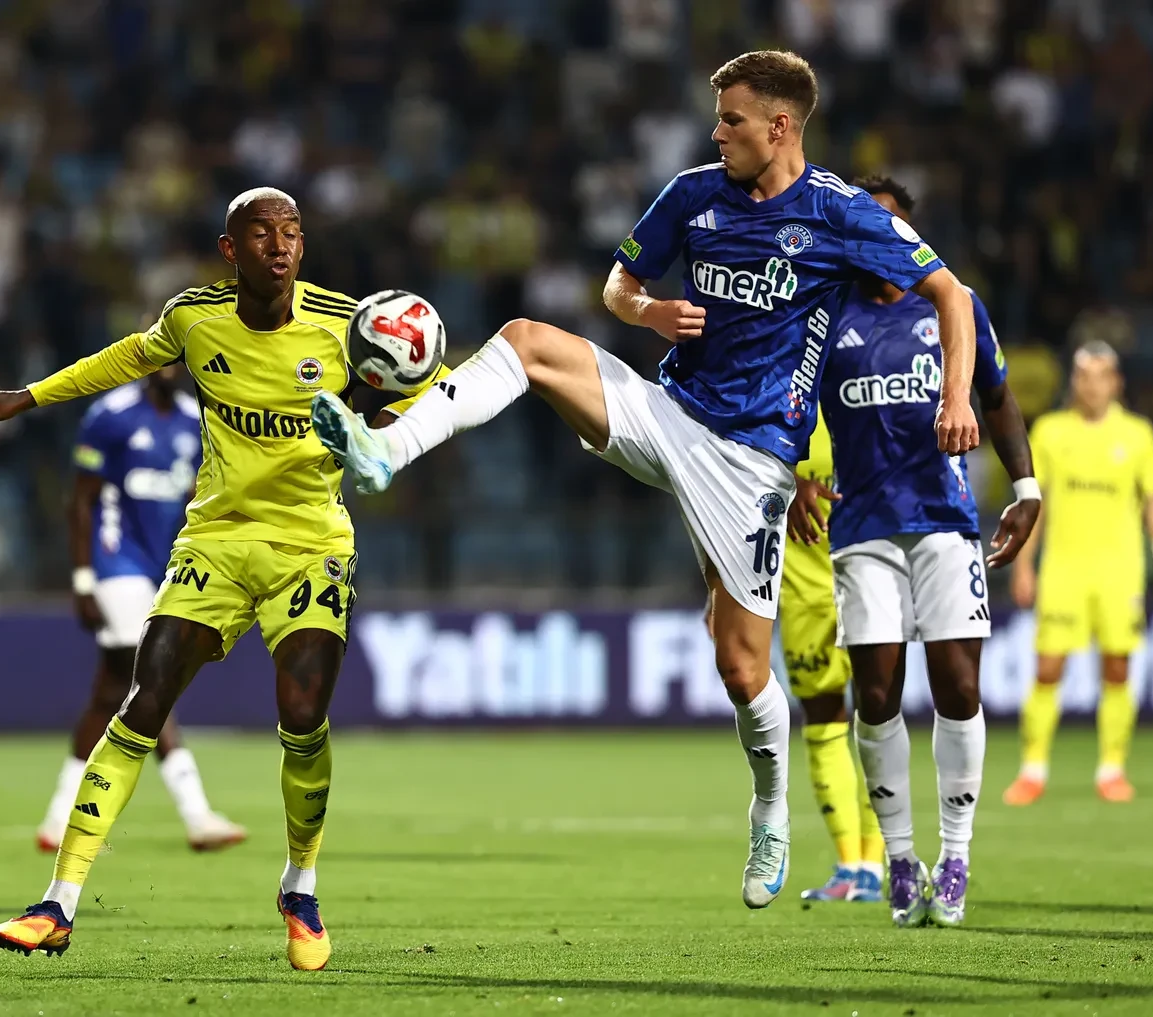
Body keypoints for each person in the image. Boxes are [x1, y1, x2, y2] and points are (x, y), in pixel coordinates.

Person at [311, 50, 981, 910]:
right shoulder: (694, 194)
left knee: (740, 666)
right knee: (526, 339)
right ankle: (384, 450)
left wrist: (955, 395)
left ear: (781, 126)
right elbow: (618, 284)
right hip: (671, 413)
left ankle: (770, 807)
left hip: (752, 460)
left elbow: (951, 294)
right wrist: (648, 310)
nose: (718, 131)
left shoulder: (842, 215)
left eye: (733, 118)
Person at [0, 187, 444, 971]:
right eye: (262, 233)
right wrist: (31, 396)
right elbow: (125, 355)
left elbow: (433, 395)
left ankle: (301, 884)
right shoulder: (195, 318)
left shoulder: (352, 324)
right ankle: (58, 902)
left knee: (302, 711)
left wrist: (372, 434)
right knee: (143, 699)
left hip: (309, 543)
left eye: (292, 232)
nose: (281, 246)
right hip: (214, 541)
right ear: (231, 249)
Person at [790, 175, 1039, 927]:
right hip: (863, 529)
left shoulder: (952, 308)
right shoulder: (828, 320)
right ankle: (900, 860)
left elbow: (996, 396)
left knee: (959, 686)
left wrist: (1026, 487)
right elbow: (790, 408)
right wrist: (795, 476)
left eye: (889, 225)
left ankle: (956, 853)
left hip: (944, 519)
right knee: (875, 693)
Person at [35, 366, 245, 854]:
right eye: (163, 360)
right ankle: (196, 813)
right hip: (116, 562)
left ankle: (56, 819)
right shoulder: (111, 416)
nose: (172, 370)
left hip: (161, 565)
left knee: (111, 691)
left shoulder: (197, 421)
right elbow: (82, 501)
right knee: (151, 681)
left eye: (180, 362)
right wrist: (84, 580)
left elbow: (201, 490)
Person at [1004, 341, 1153, 806]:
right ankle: (1033, 769)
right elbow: (1033, 505)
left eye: (1102, 375)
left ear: (1116, 382)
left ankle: (1112, 768)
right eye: (1085, 375)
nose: (1093, 385)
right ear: (1074, 382)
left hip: (1120, 571)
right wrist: (1024, 565)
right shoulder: (1051, 431)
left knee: (1118, 669)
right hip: (1064, 569)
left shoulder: (1138, 434)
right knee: (1047, 668)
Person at [775, 407, 886, 903]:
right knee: (824, 720)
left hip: (866, 583)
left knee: (878, 717)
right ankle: (852, 865)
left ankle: (880, 862)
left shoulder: (858, 400)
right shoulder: (774, 405)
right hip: (802, 594)